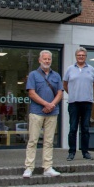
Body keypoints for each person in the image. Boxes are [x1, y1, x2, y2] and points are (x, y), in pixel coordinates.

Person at [23, 50, 63, 178]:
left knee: (49, 141)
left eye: (49, 59)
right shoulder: (33, 75)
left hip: (52, 112)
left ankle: (48, 167)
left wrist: (51, 105)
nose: (47, 61)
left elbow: (60, 93)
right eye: (44, 59)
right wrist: (46, 104)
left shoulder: (56, 76)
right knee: (33, 140)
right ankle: (29, 167)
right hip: (36, 112)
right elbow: (31, 93)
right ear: (39, 60)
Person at [63, 47, 94, 161]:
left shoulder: (91, 69)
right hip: (73, 103)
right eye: (79, 55)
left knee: (85, 129)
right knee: (73, 128)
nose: (81, 57)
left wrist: (85, 93)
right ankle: (71, 152)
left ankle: (85, 152)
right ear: (76, 56)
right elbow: (65, 84)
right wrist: (73, 93)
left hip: (87, 103)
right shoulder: (70, 69)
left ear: (86, 57)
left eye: (83, 55)